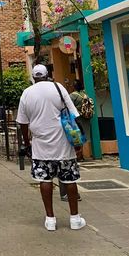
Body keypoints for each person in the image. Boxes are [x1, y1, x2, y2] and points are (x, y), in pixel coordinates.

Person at [16, 64, 86, 231]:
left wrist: (27, 144)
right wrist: (77, 141)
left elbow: (23, 123)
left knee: (45, 180)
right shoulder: (58, 87)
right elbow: (73, 114)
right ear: (48, 75)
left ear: (33, 77)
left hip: (40, 144)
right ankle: (75, 218)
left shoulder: (27, 93)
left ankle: (50, 219)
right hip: (63, 142)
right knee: (69, 179)